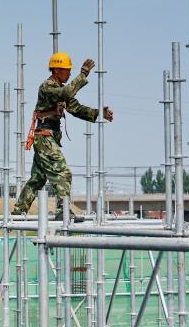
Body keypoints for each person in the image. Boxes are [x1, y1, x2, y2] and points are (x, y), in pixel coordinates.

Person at [11, 52, 114, 220]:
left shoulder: (59, 90)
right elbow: (66, 93)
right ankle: (63, 211)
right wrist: (83, 75)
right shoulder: (47, 87)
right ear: (57, 70)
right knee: (63, 173)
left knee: (37, 179)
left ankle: (17, 212)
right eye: (67, 70)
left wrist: (98, 113)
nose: (70, 73)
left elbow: (77, 109)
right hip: (44, 138)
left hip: (46, 138)